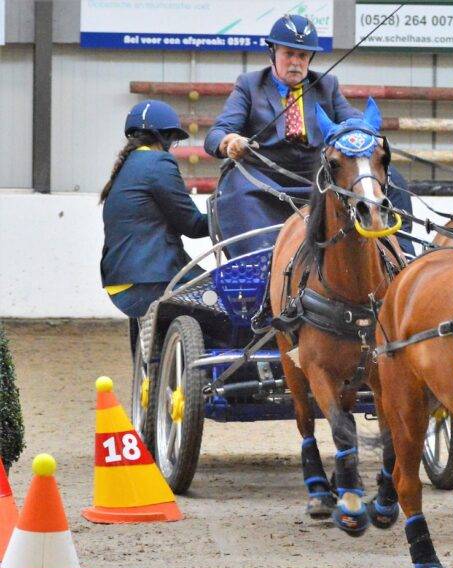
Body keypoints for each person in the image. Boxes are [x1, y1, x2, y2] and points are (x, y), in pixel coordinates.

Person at [205, 13, 414, 256]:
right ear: (273, 52)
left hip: (317, 178)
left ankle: (403, 254)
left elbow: (351, 119)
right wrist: (229, 141)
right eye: (289, 54)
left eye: (302, 55)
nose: (296, 62)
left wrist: (365, 134)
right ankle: (255, 263)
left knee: (394, 179)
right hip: (262, 179)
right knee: (236, 189)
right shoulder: (249, 85)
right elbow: (216, 133)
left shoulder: (328, 84)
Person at [100, 99, 208, 347]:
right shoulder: (158, 163)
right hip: (148, 280)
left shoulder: (130, 165)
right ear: (165, 137)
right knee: (228, 299)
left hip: (123, 280)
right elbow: (192, 225)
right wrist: (229, 216)